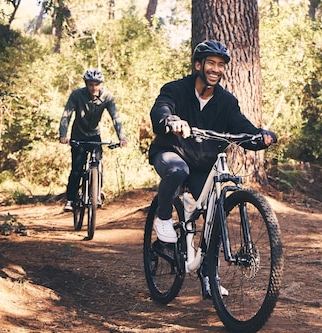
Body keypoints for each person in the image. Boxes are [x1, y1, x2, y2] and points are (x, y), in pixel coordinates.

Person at [148, 39, 277, 244]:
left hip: (202, 165)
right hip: (173, 151)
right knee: (177, 170)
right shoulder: (176, 89)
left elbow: (242, 127)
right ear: (198, 65)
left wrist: (261, 136)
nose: (216, 69)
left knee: (213, 212)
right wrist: (173, 121)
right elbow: (161, 109)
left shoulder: (226, 101)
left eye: (221, 65)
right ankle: (163, 218)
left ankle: (207, 271)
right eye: (211, 63)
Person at [59, 68, 128, 212]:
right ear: (86, 84)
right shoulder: (77, 95)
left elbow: (115, 117)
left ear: (100, 84)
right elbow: (67, 115)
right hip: (78, 136)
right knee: (77, 169)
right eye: (91, 84)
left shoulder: (107, 97)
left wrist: (122, 137)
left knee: (98, 163)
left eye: (96, 84)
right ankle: (71, 199)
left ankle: (97, 192)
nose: (94, 87)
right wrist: (63, 134)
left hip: (94, 136)